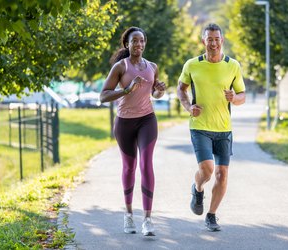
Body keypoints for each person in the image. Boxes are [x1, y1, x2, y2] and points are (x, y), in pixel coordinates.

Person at [177, 23, 246, 231]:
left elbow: (242, 96)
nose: (213, 43)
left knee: (222, 174)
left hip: (224, 128)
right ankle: (197, 188)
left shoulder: (233, 65)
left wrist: (234, 97)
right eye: (209, 39)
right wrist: (189, 106)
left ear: (222, 40)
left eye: (217, 39)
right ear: (203, 41)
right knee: (207, 170)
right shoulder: (192, 65)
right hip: (200, 126)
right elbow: (181, 88)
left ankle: (212, 215)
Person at [100, 26, 166, 236]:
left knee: (146, 165)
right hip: (125, 123)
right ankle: (129, 216)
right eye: (134, 41)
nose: (138, 44)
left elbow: (154, 93)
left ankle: (147, 219)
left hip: (147, 120)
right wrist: (127, 90)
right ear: (127, 44)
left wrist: (159, 90)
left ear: (145, 43)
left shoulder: (152, 66)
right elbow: (103, 95)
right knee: (129, 168)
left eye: (141, 41)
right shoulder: (121, 67)